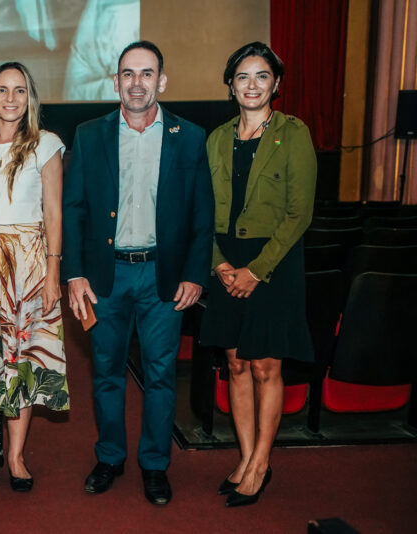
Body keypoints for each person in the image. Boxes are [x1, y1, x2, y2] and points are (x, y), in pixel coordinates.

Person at [62, 41, 214, 505]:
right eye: (128, 73)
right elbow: (74, 208)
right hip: (105, 279)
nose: (137, 83)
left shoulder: (190, 136)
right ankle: (110, 457)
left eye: (147, 73)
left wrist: (195, 274)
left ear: (161, 81)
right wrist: (74, 273)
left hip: (163, 278)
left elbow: (202, 213)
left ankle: (154, 464)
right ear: (115, 82)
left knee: (161, 375)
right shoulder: (89, 135)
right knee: (106, 372)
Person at [199, 41, 316, 507]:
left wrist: (256, 271)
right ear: (230, 85)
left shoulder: (294, 133)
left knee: (266, 366)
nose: (252, 85)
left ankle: (261, 463)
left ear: (276, 84)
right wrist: (220, 264)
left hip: (274, 264)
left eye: (261, 76)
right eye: (243, 77)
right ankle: (246, 457)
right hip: (226, 264)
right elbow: (201, 211)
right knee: (236, 364)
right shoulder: (216, 138)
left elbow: (299, 213)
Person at [0, 62, 69, 492]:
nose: (10, 98)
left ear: (30, 98)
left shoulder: (47, 144)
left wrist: (54, 271)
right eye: (2, 90)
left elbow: (54, 212)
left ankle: (16, 456)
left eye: (19, 90)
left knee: (23, 362)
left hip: (30, 267)